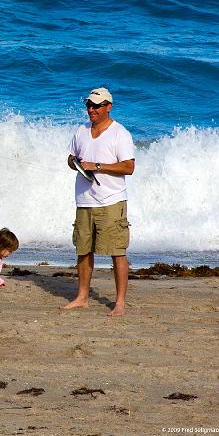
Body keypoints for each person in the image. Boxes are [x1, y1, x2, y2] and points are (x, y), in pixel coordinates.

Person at [63, 87, 135, 316]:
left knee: (117, 252)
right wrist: (75, 162)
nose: (91, 109)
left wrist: (97, 166)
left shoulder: (119, 133)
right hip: (84, 201)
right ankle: (82, 297)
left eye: (96, 106)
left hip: (111, 201)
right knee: (83, 250)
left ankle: (120, 302)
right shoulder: (81, 131)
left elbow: (129, 167)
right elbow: (69, 158)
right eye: (89, 105)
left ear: (108, 107)